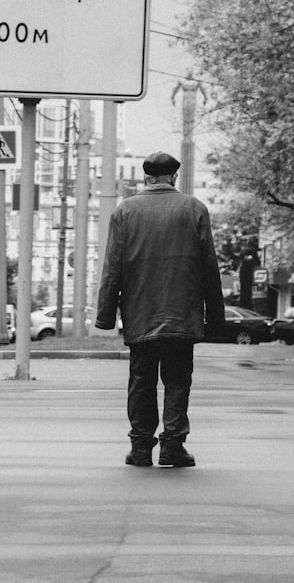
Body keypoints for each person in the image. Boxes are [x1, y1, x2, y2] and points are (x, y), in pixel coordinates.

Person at [96, 152, 225, 468]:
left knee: (141, 381)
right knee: (178, 380)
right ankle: (172, 446)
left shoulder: (125, 211)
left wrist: (105, 314)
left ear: (146, 178)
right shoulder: (194, 209)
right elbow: (209, 266)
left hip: (141, 313)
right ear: (174, 177)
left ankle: (140, 448)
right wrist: (216, 316)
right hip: (182, 314)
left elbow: (112, 267)